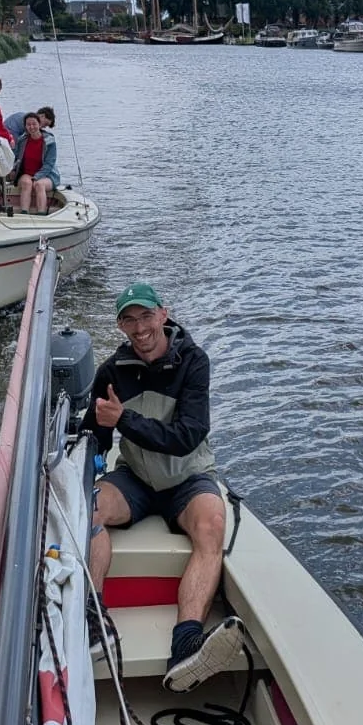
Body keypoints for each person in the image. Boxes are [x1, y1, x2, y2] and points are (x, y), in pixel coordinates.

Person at [81, 283, 244, 692]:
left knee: (211, 526)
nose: (140, 328)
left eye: (146, 316)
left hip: (188, 477)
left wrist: (123, 421)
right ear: (119, 325)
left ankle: (186, 641)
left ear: (163, 314)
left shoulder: (194, 361)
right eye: (129, 319)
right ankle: (93, 618)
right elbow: (94, 434)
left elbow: (187, 436)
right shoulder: (111, 372)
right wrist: (86, 454)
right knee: (84, 508)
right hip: (135, 478)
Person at [10, 111, 59, 214]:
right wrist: (13, 171)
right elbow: (17, 159)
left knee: (39, 184)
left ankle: (41, 214)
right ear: (25, 127)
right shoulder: (22, 140)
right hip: (27, 174)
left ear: (39, 124)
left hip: (47, 175)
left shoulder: (49, 141)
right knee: (27, 183)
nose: (31, 127)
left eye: (34, 124)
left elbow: (49, 163)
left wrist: (37, 177)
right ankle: (24, 214)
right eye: (28, 125)